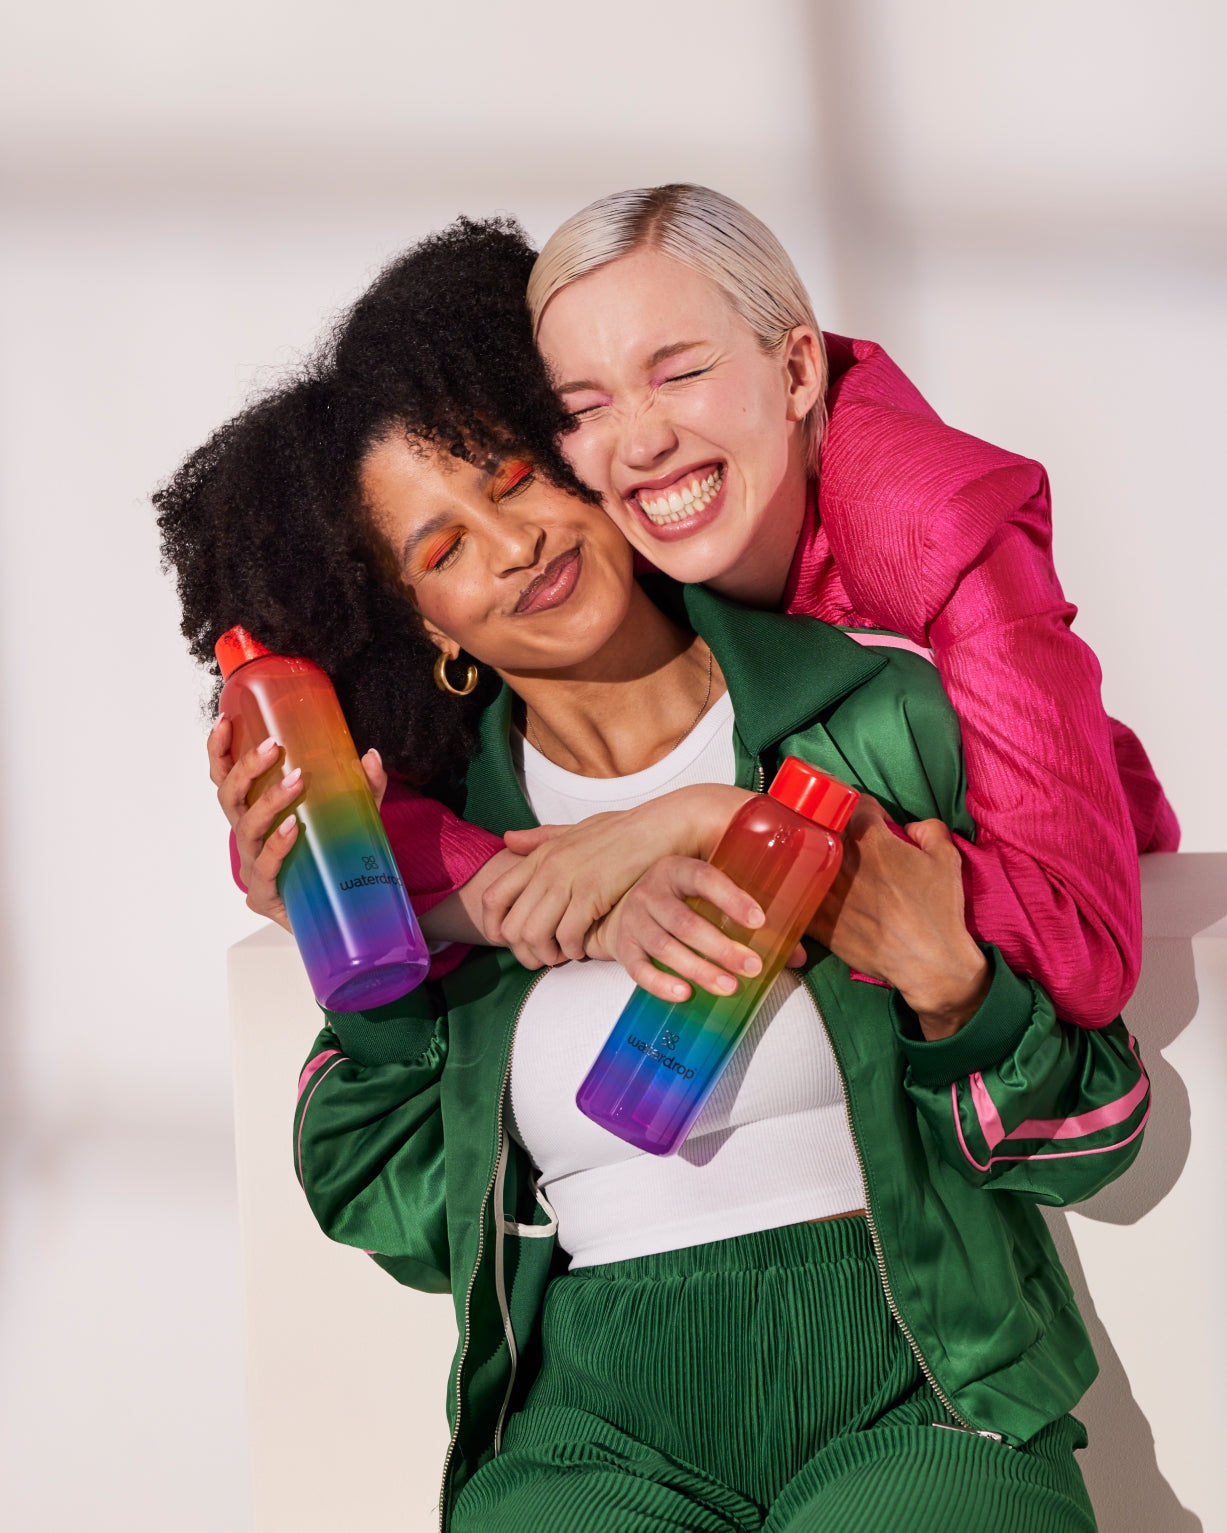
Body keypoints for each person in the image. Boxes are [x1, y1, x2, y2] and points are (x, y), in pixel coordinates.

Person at [157, 219, 1147, 1532]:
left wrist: (954, 986)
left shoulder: (869, 721)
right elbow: (388, 1203)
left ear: (577, 454)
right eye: (441, 550)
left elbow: (1090, 1130)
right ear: (418, 625)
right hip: (592, 1434)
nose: (507, 548)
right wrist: (347, 933)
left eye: (511, 476)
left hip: (916, 1384)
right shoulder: (448, 858)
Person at [331, 184, 1176, 1031]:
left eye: (682, 372)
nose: (641, 440)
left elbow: (1085, 947)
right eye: (583, 407)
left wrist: (710, 822)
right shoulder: (604, 543)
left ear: (798, 369)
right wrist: (456, 886)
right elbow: (338, 806)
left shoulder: (936, 522)